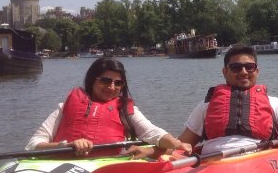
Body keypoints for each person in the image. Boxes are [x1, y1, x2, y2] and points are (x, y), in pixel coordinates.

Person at [26, 57, 191, 158]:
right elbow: (33, 145)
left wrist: (177, 144)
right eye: (105, 80)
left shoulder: (125, 110)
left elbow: (153, 133)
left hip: (104, 170)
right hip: (60, 166)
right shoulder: (65, 107)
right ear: (92, 80)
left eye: (118, 83)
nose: (112, 87)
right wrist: (65, 146)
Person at [177, 44, 278, 157]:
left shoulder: (274, 103)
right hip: (212, 162)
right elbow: (183, 143)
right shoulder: (205, 106)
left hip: (257, 159)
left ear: (257, 71)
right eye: (236, 68)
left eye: (250, 67)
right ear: (225, 72)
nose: (244, 72)